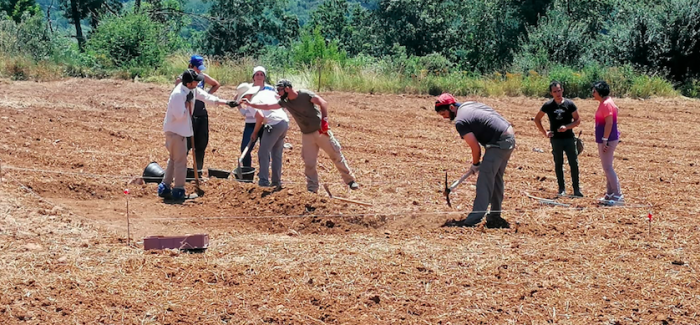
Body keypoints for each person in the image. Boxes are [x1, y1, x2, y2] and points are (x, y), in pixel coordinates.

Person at [242, 79, 358, 193]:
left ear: (287, 88)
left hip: (320, 131)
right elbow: (268, 106)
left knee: (335, 155)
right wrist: (251, 104)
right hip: (306, 135)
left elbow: (323, 103)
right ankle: (312, 188)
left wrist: (324, 120)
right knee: (309, 163)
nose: (278, 93)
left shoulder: (305, 95)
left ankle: (350, 181)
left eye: (280, 90)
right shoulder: (285, 101)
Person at [435, 93, 515, 228]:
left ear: (451, 107)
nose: (444, 117)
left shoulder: (460, 121)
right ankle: (495, 215)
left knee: (484, 180)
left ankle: (474, 219)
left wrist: (475, 164)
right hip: (508, 136)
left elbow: (475, 147)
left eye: (444, 113)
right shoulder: (467, 105)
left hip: (499, 143)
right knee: (495, 178)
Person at [159, 69, 235, 200]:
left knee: (174, 159)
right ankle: (178, 189)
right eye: (196, 81)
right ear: (189, 83)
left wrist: (226, 102)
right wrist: (187, 103)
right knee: (180, 162)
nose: (198, 83)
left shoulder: (192, 90)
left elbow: (207, 97)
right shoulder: (178, 95)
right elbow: (179, 116)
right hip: (176, 132)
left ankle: (165, 187)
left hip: (180, 131)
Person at [534, 81, 583, 197]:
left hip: (569, 139)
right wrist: (545, 132)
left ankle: (576, 189)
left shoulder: (570, 104)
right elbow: (537, 119)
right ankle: (561, 189)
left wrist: (567, 127)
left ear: (562, 90)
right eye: (555, 91)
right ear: (551, 93)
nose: (558, 93)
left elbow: (578, 120)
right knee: (558, 164)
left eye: (559, 90)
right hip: (556, 140)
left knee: (574, 163)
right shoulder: (548, 105)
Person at [174, 55, 220, 176]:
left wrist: (205, 96)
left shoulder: (202, 77)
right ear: (191, 66)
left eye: (200, 68)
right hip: (189, 116)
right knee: (186, 145)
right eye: (197, 68)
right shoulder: (182, 79)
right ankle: (181, 172)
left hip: (202, 115)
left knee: (201, 144)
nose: (199, 71)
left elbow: (216, 84)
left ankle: (197, 172)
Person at [239, 84, 290, 188]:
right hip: (284, 122)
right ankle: (276, 182)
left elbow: (260, 117)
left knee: (263, 152)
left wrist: (254, 132)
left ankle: (263, 181)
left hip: (274, 124)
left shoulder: (252, 103)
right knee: (276, 153)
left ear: (246, 95)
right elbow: (279, 99)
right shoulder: (267, 92)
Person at [592, 81, 623, 205]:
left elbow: (609, 123)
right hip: (606, 139)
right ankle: (610, 194)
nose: (593, 93)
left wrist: (605, 140)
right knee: (606, 167)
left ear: (600, 92)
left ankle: (617, 195)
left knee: (608, 167)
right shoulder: (606, 103)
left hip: (608, 140)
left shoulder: (606, 104)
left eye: (594, 91)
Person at [238, 66, 274, 168]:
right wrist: (242, 111)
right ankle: (247, 170)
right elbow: (237, 99)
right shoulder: (248, 89)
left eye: (261, 74)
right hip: (251, 123)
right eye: (257, 74)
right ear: (253, 77)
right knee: (245, 147)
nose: (259, 76)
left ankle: (264, 171)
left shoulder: (270, 89)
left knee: (265, 150)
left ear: (264, 77)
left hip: (265, 123)